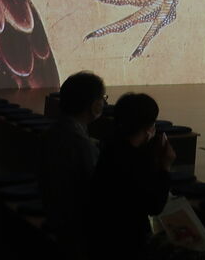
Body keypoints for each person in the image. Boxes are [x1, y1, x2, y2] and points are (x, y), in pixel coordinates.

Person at [86, 92, 176, 259]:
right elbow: (155, 206)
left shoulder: (111, 147)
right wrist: (166, 166)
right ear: (148, 127)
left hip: (100, 237)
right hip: (126, 243)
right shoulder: (133, 161)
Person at [37, 70, 107, 257]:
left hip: (54, 213)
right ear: (94, 105)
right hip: (75, 228)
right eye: (102, 98)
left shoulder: (52, 132)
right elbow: (95, 190)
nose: (104, 103)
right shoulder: (80, 144)